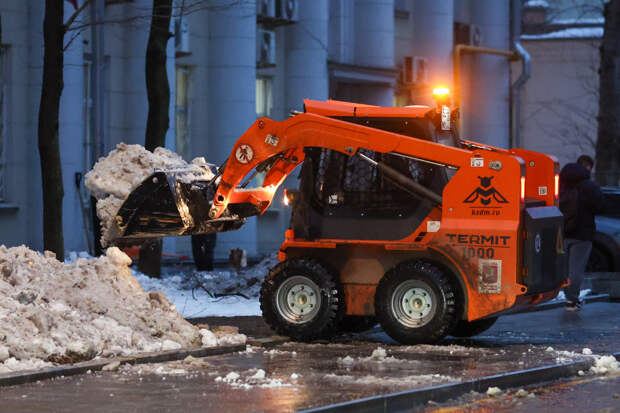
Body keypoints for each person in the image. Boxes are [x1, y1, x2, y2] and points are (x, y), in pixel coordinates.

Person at [559, 155, 603, 311]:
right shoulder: (589, 187)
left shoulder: (560, 186)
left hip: (562, 233)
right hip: (583, 234)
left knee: (564, 268)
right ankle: (572, 301)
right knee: (576, 269)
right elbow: (599, 206)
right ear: (587, 168)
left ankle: (567, 296)